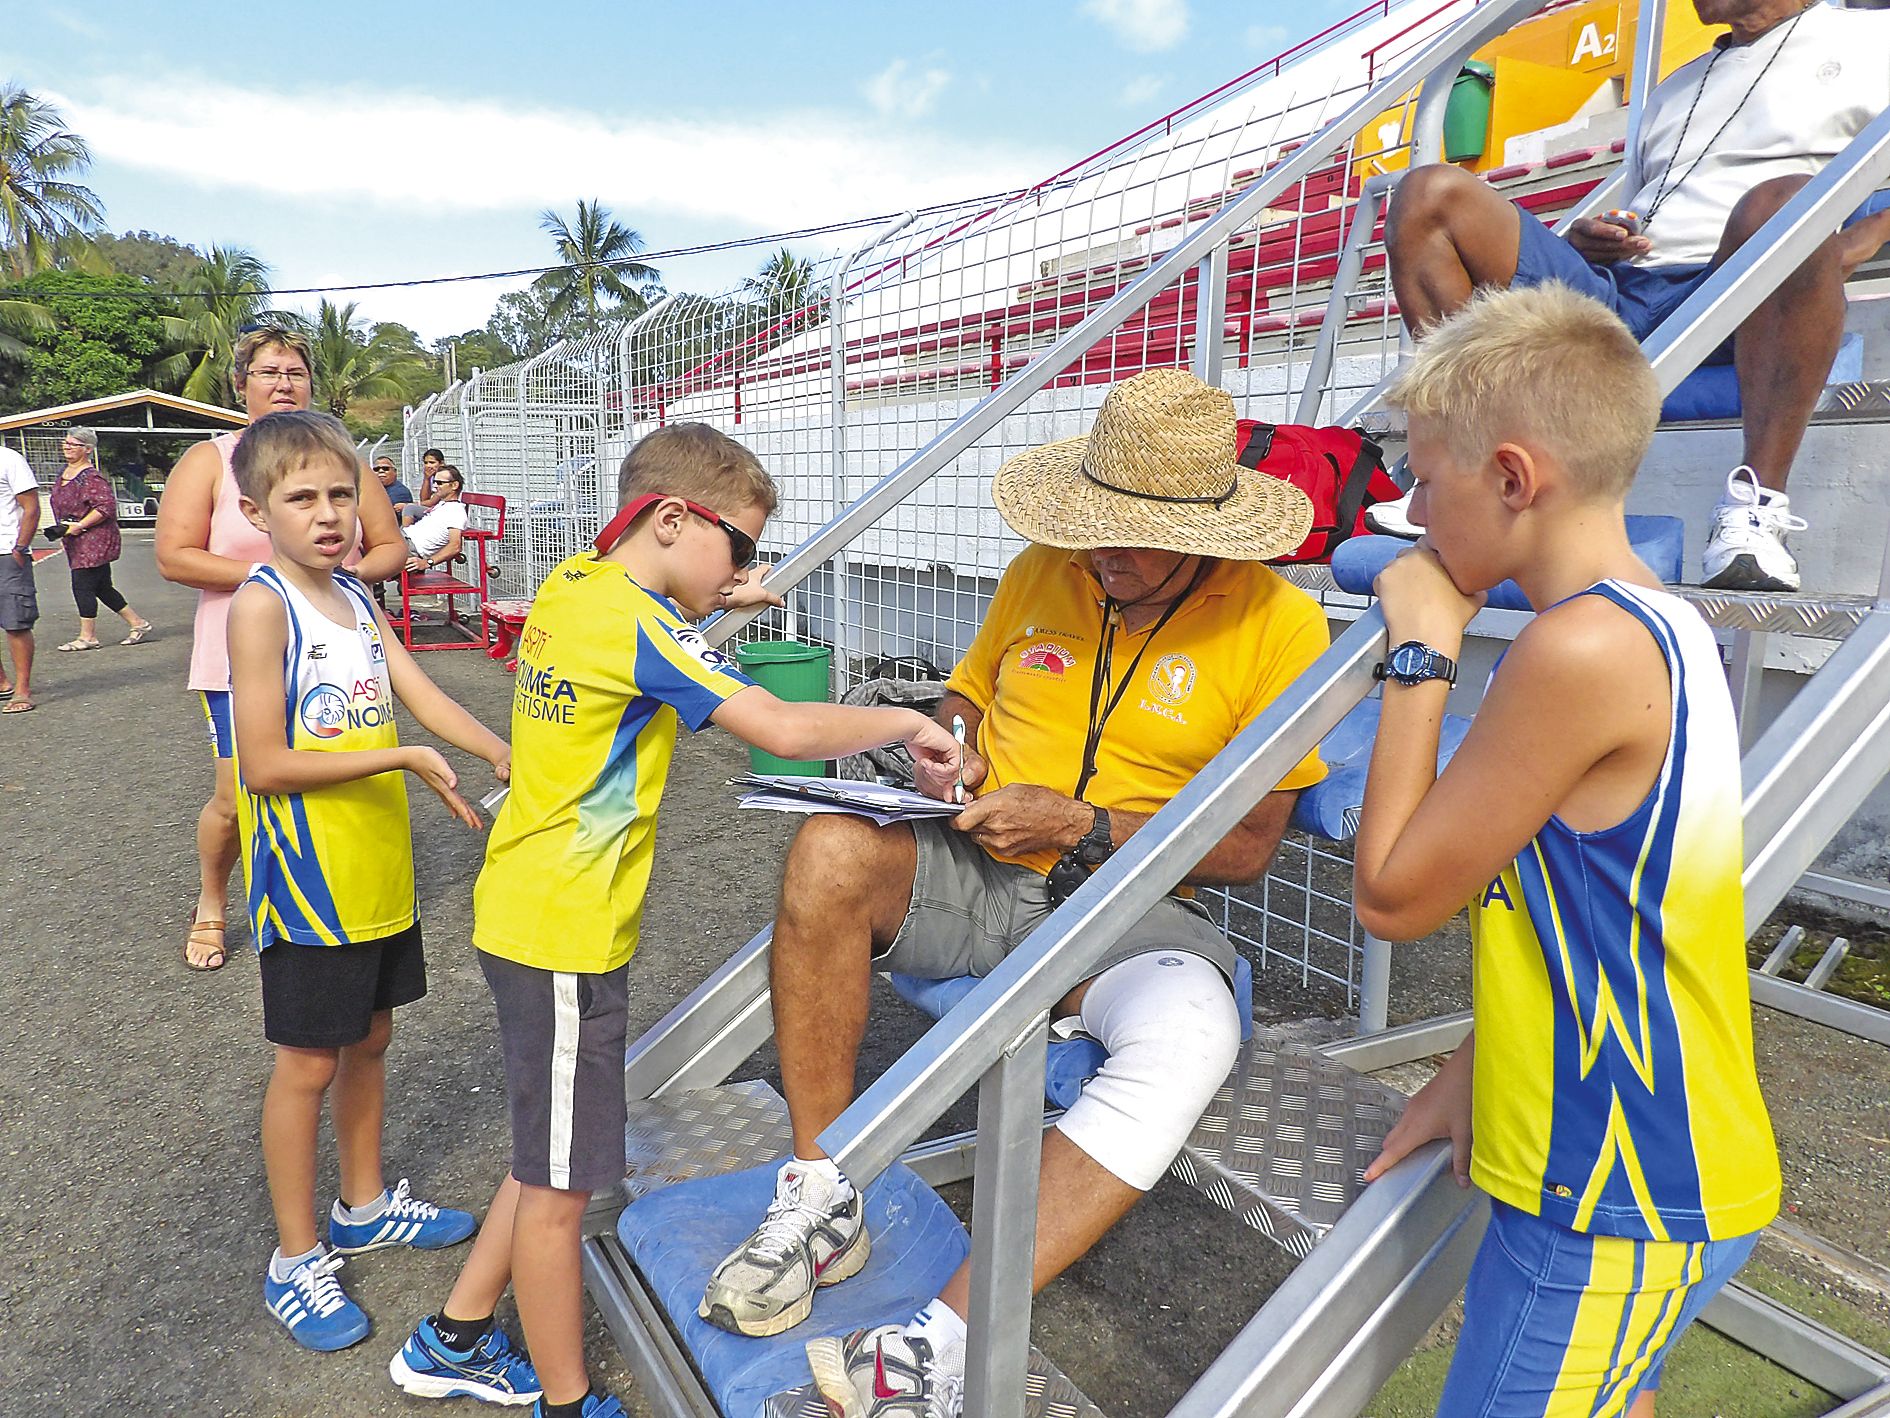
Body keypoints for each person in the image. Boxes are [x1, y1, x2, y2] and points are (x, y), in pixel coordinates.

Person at [691, 369, 1330, 1418]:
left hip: (1137, 903)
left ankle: (936, 1345)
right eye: (1090, 526)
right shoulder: (1046, 568)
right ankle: (820, 1194)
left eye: (1123, 538)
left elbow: (1252, 843)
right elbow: (970, 696)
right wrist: (954, 754)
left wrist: (1082, 824)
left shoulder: (1280, 625)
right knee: (828, 846)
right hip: (978, 862)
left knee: (1189, 1031)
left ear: (1207, 537)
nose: (1096, 554)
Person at [388, 422, 962, 1418]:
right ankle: (564, 1398)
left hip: (529, 908)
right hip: (562, 931)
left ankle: (457, 1330)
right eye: (738, 545)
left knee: (551, 1151)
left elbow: (649, 623)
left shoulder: (580, 583)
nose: (745, 567)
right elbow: (779, 728)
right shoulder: (649, 629)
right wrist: (910, 721)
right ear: (667, 519)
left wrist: (714, 588)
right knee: (564, 1189)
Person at [1354, 284, 1779, 1417]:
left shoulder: (1577, 648)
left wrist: (1420, 651)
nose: (1412, 511)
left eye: (1424, 479)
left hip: (1615, 1187)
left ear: (1510, 477)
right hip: (1635, 1161)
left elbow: (1393, 894)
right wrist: (1475, 1063)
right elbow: (1607, 903)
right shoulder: (1664, 619)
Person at [1377, 0, 1890, 591]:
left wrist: (1847, 244)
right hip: (1624, 288)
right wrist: (1591, 236)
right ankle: (1458, 470)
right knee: (1429, 194)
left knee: (1779, 200)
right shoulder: (1675, 90)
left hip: (1739, 285)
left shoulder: (1870, 40)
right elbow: (1656, 203)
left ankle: (1757, 506)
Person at [226, 410, 511, 1351]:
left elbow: (420, 694)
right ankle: (295, 1258)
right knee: (307, 1061)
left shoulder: (354, 593)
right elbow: (262, 763)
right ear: (255, 509)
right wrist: (403, 761)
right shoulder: (263, 605)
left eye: (341, 493)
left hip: (376, 872)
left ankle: (362, 1202)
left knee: (374, 1038)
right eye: (301, 497)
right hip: (308, 880)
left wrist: (499, 751)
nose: (327, 514)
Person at [156, 326, 407, 971]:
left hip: (340, 643)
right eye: (268, 372)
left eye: (295, 372)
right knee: (239, 791)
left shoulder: (337, 457)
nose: (283, 383)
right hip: (238, 650)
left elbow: (389, 546)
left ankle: (323, 899)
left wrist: (335, 582)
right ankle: (213, 902)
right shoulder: (211, 460)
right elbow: (174, 555)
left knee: (339, 767)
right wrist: (281, 582)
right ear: (241, 386)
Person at [45, 427, 154, 651]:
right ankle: (138, 623)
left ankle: (88, 636)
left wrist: (80, 525)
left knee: (82, 585)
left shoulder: (91, 477)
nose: (67, 447)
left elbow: (105, 507)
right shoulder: (64, 473)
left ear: (87, 449)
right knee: (102, 586)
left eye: (73, 444)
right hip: (73, 537)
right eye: (66, 443)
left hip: (94, 538)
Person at [0, 443, 39, 714]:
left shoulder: (8, 459)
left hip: (6, 552)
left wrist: (20, 547)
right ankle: (3, 683)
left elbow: (31, 507)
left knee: (16, 622)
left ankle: (23, 690)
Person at [402, 465, 467, 575]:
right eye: (435, 482)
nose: (435, 486)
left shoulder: (456, 512)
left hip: (409, 547)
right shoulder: (443, 504)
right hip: (404, 538)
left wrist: (427, 563)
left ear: (455, 485)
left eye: (440, 483)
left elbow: (455, 546)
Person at [399, 448, 447, 526]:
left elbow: (432, 502)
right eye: (426, 463)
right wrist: (426, 479)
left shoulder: (445, 476)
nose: (428, 466)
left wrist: (407, 505)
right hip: (435, 509)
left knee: (409, 509)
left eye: (432, 462)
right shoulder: (433, 477)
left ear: (441, 463)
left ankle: (406, 535)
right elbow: (424, 499)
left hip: (445, 510)